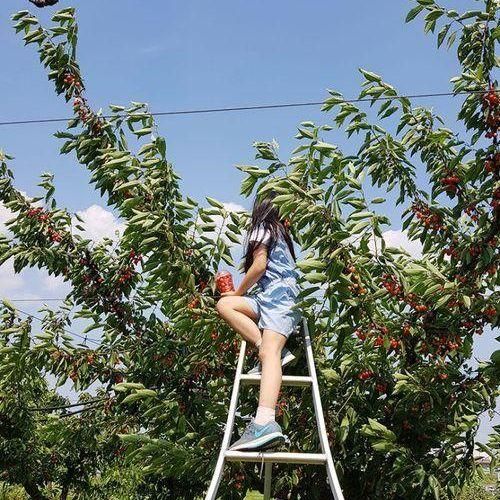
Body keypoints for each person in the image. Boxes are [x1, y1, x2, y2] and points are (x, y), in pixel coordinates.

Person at [216, 190, 302, 451]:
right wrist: (234, 296)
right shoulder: (281, 235)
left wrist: (238, 291)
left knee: (269, 352)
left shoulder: (262, 227)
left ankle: (265, 421)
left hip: (279, 298)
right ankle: (268, 347)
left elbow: (259, 266)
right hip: (269, 298)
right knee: (225, 304)